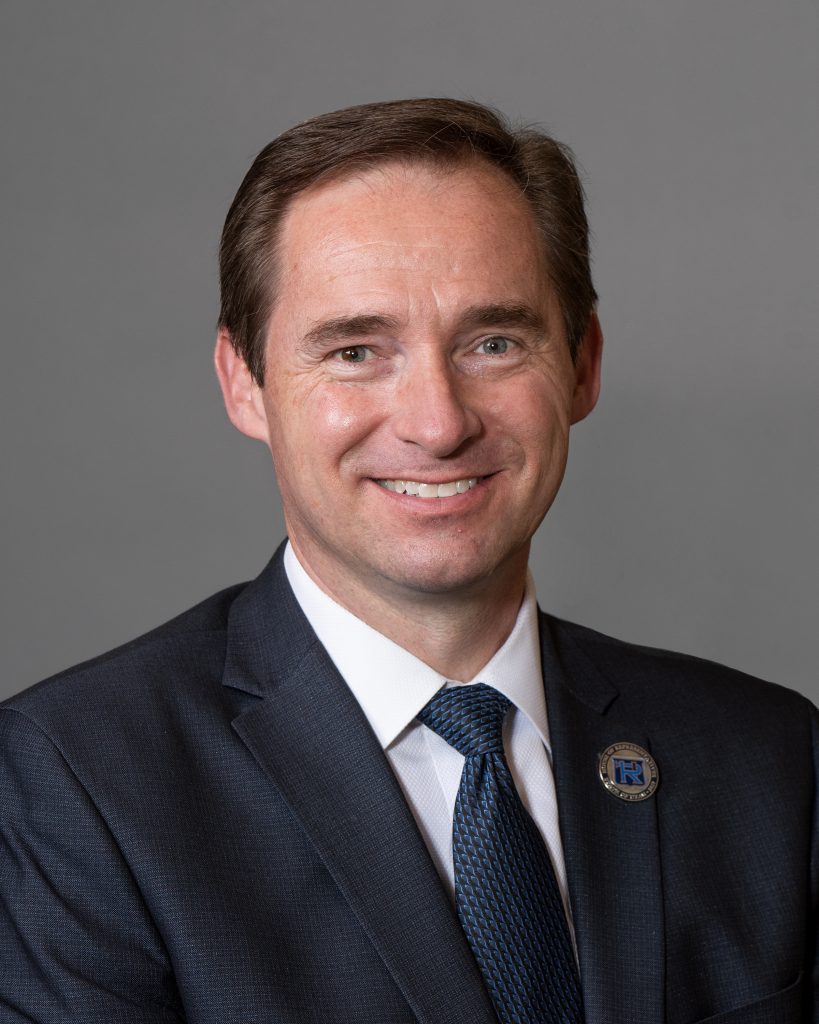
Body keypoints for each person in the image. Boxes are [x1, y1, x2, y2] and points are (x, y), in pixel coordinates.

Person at [0, 98, 815, 1023]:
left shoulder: (768, 759)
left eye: (493, 343)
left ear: (582, 365)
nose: (438, 423)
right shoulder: (74, 783)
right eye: (355, 351)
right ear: (244, 383)